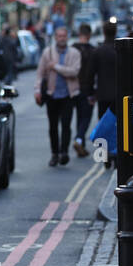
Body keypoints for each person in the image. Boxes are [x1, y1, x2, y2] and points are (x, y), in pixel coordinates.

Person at [35, 25, 82, 167]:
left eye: (64, 36)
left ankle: (64, 153)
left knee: (66, 125)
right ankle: (54, 154)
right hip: (52, 95)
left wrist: (56, 67)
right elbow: (40, 73)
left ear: (67, 37)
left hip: (68, 95)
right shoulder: (47, 53)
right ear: (55, 37)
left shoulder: (74, 53)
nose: (61, 38)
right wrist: (37, 90)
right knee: (53, 126)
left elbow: (74, 72)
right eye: (59, 36)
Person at [83, 19, 118, 125]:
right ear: (115, 32)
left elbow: (90, 74)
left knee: (104, 126)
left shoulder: (97, 52)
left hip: (103, 94)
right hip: (119, 94)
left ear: (103, 32)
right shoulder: (121, 51)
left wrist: (90, 93)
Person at [70, 23, 96, 157]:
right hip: (88, 88)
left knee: (79, 116)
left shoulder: (72, 49)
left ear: (79, 33)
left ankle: (81, 144)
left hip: (73, 87)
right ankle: (79, 139)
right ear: (89, 35)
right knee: (86, 117)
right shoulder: (93, 50)